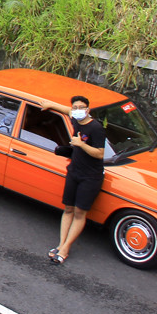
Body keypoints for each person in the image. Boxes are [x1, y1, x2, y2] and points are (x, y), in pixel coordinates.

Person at [49, 96, 107, 264]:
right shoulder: (75, 118)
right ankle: (60, 244)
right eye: (76, 107)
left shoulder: (96, 128)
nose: (78, 110)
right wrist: (50, 104)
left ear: (88, 110)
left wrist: (81, 144)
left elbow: (100, 153)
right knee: (68, 208)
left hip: (90, 177)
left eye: (82, 107)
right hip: (74, 172)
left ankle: (66, 248)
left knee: (80, 213)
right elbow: (66, 110)